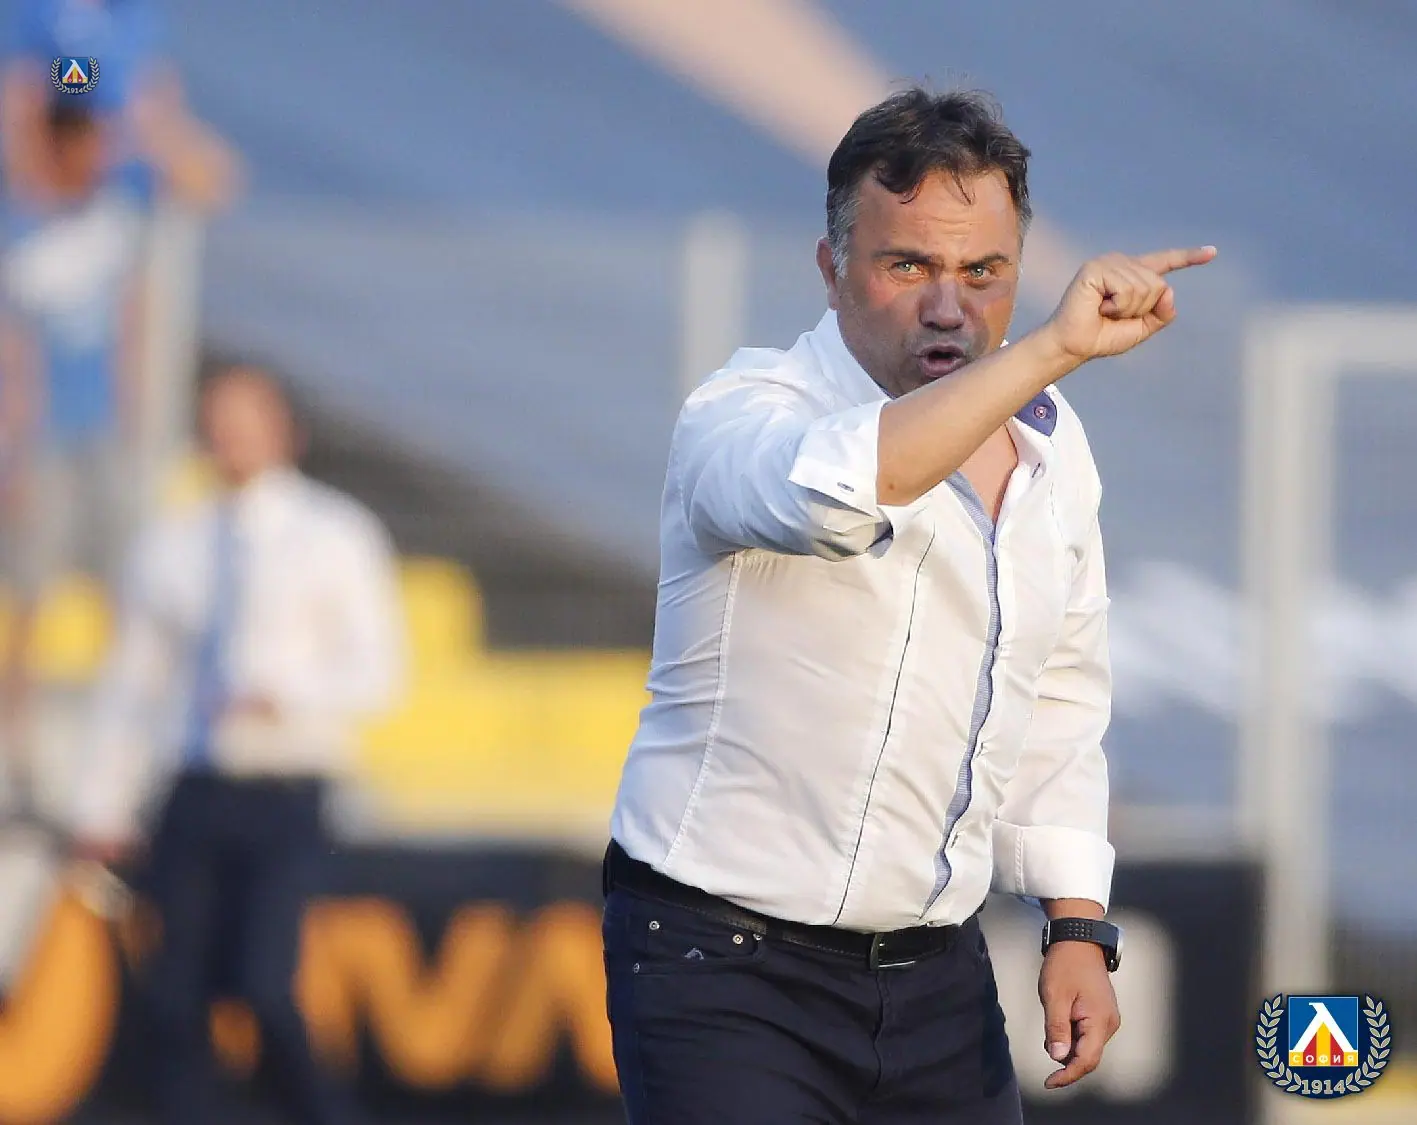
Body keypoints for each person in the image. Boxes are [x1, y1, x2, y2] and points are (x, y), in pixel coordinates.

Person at [602, 87, 1216, 1124]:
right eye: (908, 266)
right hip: (721, 964)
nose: (948, 307)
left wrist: (1075, 924)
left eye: (983, 272)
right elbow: (847, 491)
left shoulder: (1052, 447)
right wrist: (1050, 350)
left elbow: (1058, 696)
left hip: (936, 974)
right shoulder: (742, 414)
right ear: (831, 267)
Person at [72, 362, 405, 1125]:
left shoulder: (335, 533)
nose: (232, 436)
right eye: (219, 419)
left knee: (264, 983)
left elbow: (379, 672)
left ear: (287, 430)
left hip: (285, 790)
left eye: (247, 418)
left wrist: (284, 692)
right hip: (193, 790)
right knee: (172, 993)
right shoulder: (173, 544)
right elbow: (131, 685)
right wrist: (101, 803)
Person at [0, 97, 143, 800]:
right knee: (30, 598)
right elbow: (13, 354)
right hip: (47, 440)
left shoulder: (113, 221)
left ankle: (117, 750)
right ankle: (15, 755)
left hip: (103, 436)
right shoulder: (22, 232)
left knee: (125, 593)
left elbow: (132, 325)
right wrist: (14, 453)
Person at [1, 0, 240, 211]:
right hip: (61, 192)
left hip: (123, 194)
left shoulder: (137, 16)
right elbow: (23, 98)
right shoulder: (44, 17)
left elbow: (157, 103)